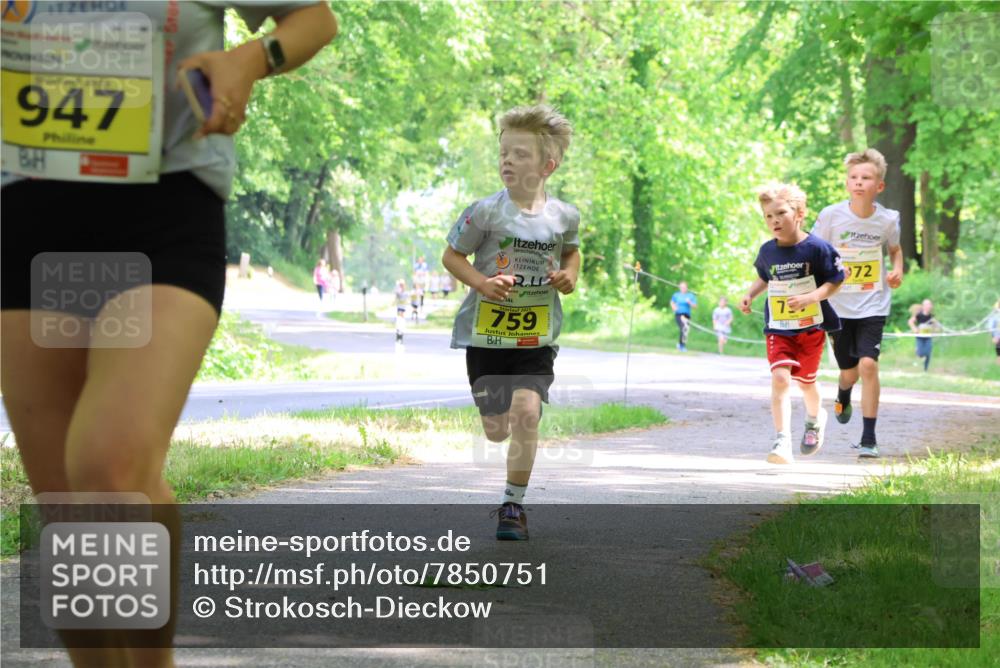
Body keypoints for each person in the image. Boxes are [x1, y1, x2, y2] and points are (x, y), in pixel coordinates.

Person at [0, 4, 337, 667]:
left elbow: (312, 20)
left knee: (107, 464)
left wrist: (250, 58)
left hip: (162, 211)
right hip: (27, 215)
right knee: (69, 509)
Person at [442, 104, 579, 541]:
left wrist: (568, 275)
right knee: (496, 428)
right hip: (486, 336)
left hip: (536, 337)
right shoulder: (483, 212)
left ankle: (512, 506)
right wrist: (482, 283)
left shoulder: (564, 217)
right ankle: (497, 434)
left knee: (526, 412)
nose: (507, 160)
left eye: (520, 154)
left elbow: (571, 251)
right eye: (504, 152)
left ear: (547, 166)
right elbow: (451, 256)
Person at [739, 183, 845, 465]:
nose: (774, 221)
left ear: (799, 213)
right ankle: (782, 439)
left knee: (806, 382)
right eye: (768, 216)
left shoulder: (817, 248)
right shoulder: (767, 252)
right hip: (779, 326)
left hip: (810, 326)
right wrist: (750, 294)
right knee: (781, 378)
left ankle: (814, 418)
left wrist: (812, 296)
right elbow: (765, 276)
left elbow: (836, 280)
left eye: (780, 213)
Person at [811, 148, 904, 459]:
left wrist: (897, 270)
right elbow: (814, 251)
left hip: (874, 303)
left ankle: (868, 437)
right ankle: (843, 392)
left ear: (879, 186)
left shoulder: (888, 219)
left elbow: (895, 249)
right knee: (849, 371)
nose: (859, 182)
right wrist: (831, 272)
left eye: (866, 177)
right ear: (847, 183)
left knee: (868, 364)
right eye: (854, 177)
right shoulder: (830, 216)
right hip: (838, 305)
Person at [908, 299, 940, 371]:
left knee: (928, 352)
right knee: (921, 353)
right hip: (920, 337)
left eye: (930, 305)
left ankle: (925, 369)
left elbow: (937, 327)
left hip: (928, 337)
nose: (929, 306)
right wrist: (914, 329)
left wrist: (935, 327)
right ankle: (918, 353)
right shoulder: (919, 315)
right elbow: (910, 322)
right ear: (923, 306)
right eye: (927, 305)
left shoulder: (932, 316)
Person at [670, 281, 697, 351]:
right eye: (681, 287)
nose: (683, 288)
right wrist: (674, 307)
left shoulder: (690, 296)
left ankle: (681, 345)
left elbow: (695, 306)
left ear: (687, 288)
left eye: (684, 287)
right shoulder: (676, 295)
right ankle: (681, 345)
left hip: (686, 315)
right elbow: (672, 302)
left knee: (685, 330)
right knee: (683, 328)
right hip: (679, 314)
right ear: (679, 287)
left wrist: (689, 302)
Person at [988, 300, 1000, 365]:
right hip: (998, 336)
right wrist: (993, 336)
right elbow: (990, 326)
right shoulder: (994, 315)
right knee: (999, 348)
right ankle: (998, 362)